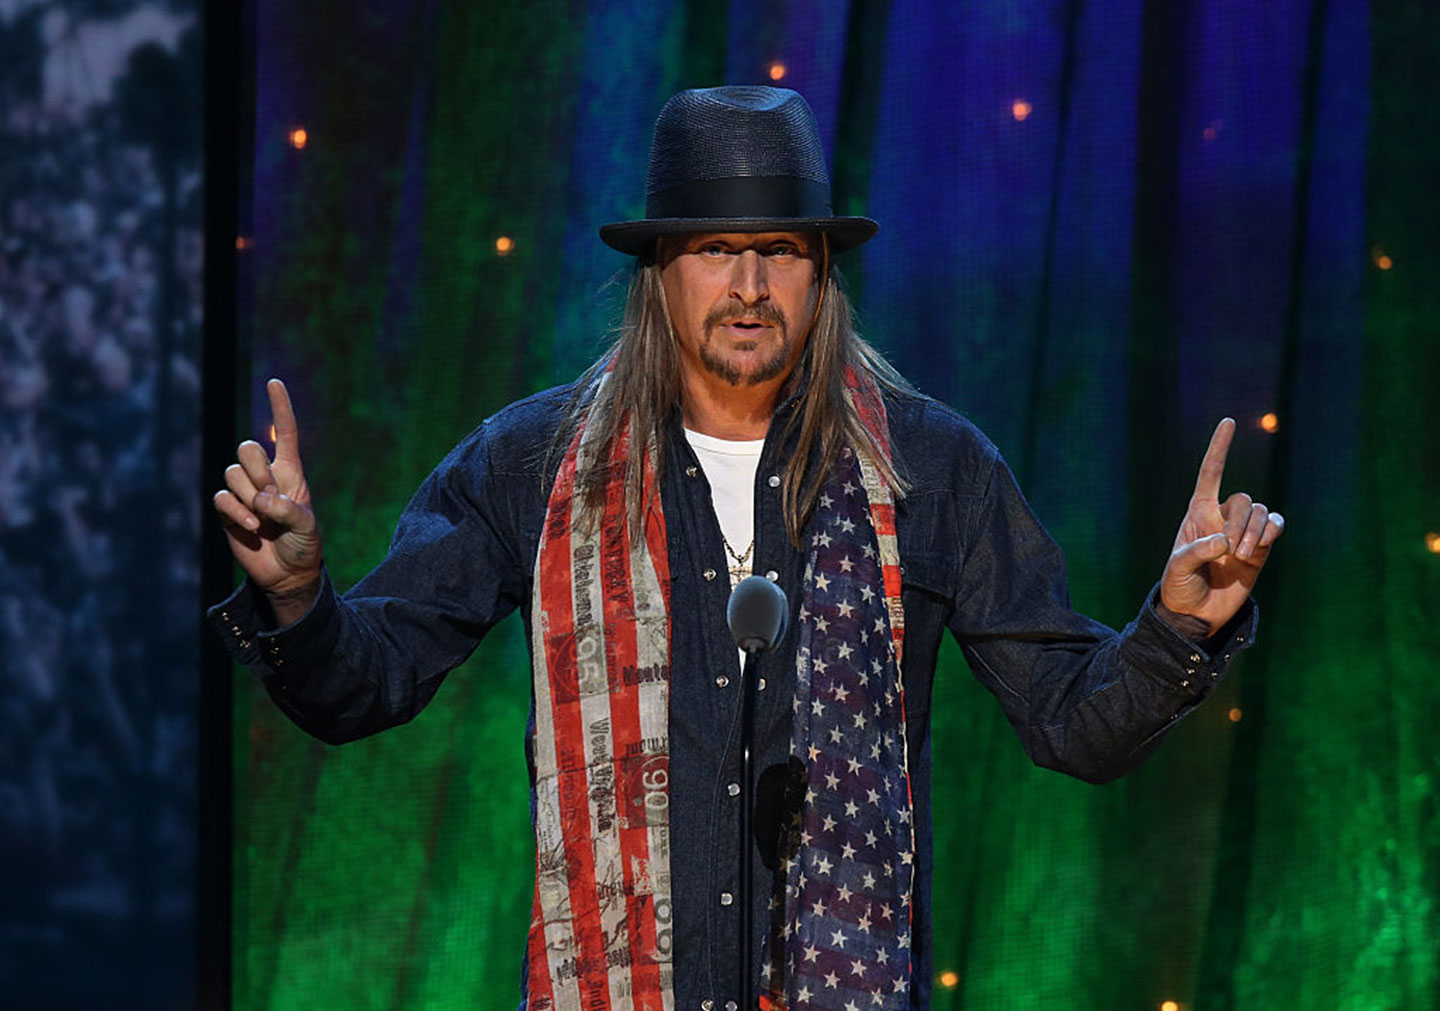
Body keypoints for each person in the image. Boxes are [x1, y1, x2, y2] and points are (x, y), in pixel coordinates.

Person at [210, 86, 1283, 1011]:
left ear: (821, 272)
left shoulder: (932, 466)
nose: (750, 286)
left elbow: (1073, 724)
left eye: (779, 250)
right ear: (660, 271)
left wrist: (1181, 618)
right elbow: (365, 687)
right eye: (717, 249)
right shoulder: (531, 462)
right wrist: (300, 596)